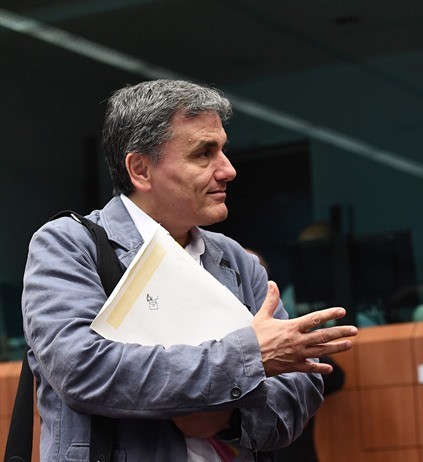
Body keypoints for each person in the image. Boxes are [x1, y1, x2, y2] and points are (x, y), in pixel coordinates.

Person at [21, 79, 357, 462]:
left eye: (223, 151)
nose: (228, 170)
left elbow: (301, 388)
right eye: (204, 154)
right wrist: (246, 359)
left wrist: (230, 417)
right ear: (141, 170)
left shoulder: (236, 260)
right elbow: (82, 370)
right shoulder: (68, 245)